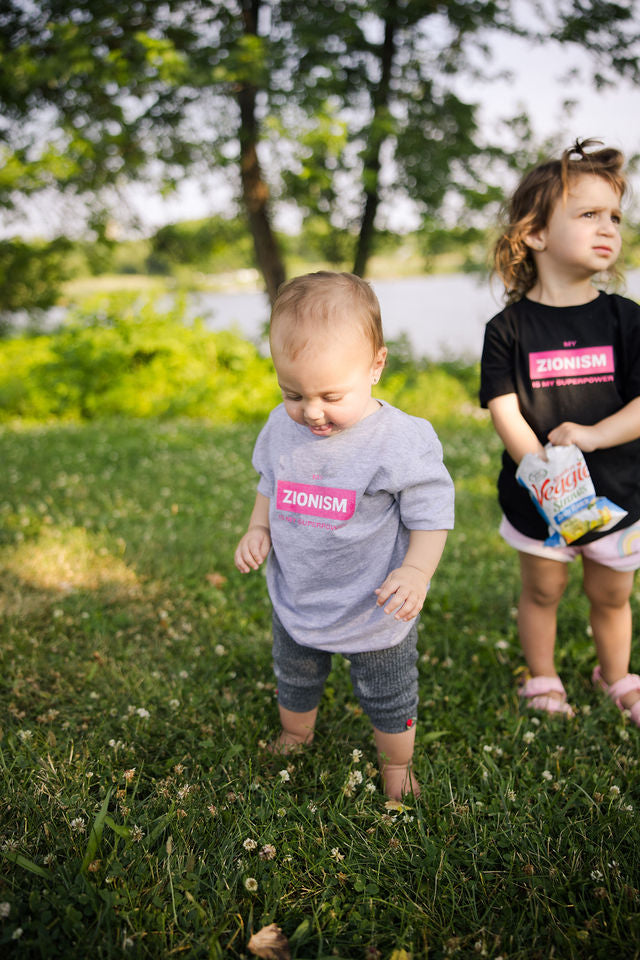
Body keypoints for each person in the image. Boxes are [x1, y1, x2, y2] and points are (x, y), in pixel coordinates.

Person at [234, 271, 454, 798]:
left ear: (376, 365)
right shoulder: (280, 425)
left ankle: (397, 770)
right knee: (296, 675)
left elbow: (431, 513)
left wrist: (416, 570)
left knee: (388, 692)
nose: (311, 412)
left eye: (331, 395)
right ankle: (295, 732)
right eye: (293, 392)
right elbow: (271, 479)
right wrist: (257, 526)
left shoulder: (399, 440)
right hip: (299, 596)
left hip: (375, 607)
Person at [480, 138, 640, 725]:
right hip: (539, 498)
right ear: (536, 234)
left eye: (615, 217)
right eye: (588, 214)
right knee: (543, 590)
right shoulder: (508, 328)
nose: (608, 228)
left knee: (612, 594)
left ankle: (616, 675)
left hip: (620, 492)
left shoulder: (627, 319)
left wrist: (594, 437)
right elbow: (503, 407)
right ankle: (543, 675)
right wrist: (542, 472)